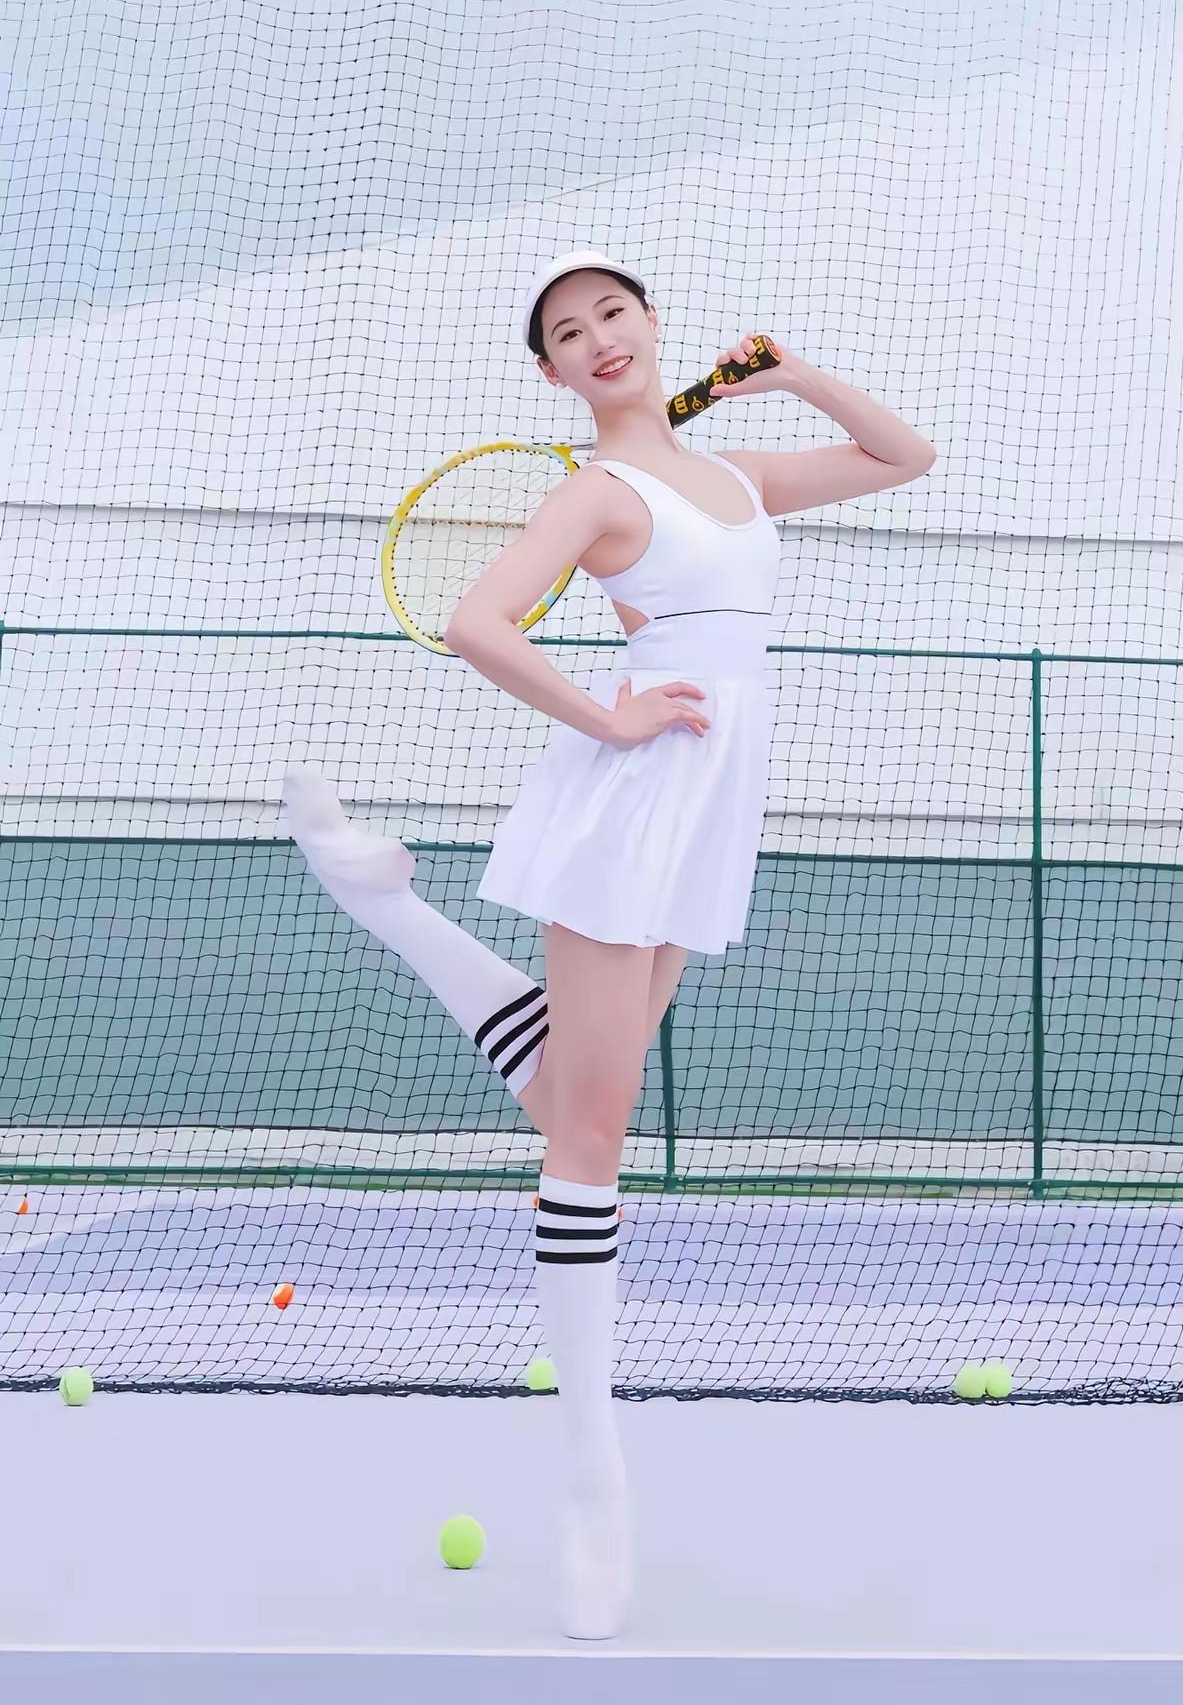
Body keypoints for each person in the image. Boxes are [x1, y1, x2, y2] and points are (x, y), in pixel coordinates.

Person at [283, 249, 936, 1639]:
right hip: (631, 797)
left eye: (613, 315)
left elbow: (904, 456)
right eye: (568, 332)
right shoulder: (595, 492)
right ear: (551, 373)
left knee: (583, 1093)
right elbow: (475, 621)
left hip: (710, 803)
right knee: (591, 1137)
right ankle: (595, 1482)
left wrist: (795, 374)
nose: (598, 339)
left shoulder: (735, 474)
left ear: (650, 326)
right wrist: (611, 718)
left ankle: (384, 900)